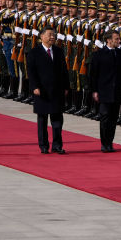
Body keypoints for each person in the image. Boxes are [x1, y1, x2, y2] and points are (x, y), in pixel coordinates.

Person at [28, 26, 71, 154]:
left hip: (57, 90)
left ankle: (57, 145)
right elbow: (31, 72)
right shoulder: (34, 52)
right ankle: (44, 146)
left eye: (53, 35)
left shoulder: (58, 51)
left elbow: (64, 71)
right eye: (49, 34)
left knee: (57, 120)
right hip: (42, 91)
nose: (52, 37)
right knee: (42, 120)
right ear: (41, 36)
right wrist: (34, 87)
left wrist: (66, 87)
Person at [89, 29, 121, 152]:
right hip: (104, 90)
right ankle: (104, 143)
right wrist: (94, 90)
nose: (119, 41)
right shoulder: (99, 54)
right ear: (108, 40)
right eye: (116, 39)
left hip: (117, 90)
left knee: (113, 118)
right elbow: (93, 75)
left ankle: (110, 143)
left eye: (119, 39)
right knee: (104, 117)